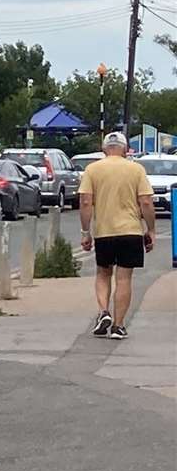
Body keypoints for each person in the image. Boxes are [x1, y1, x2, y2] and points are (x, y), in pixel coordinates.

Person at [77, 131, 155, 339]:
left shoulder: (92, 170)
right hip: (130, 231)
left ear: (104, 149)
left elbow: (85, 202)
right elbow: (146, 202)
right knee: (124, 278)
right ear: (125, 149)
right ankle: (118, 326)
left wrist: (86, 233)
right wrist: (151, 229)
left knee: (103, 274)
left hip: (104, 232)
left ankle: (104, 312)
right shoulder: (136, 169)